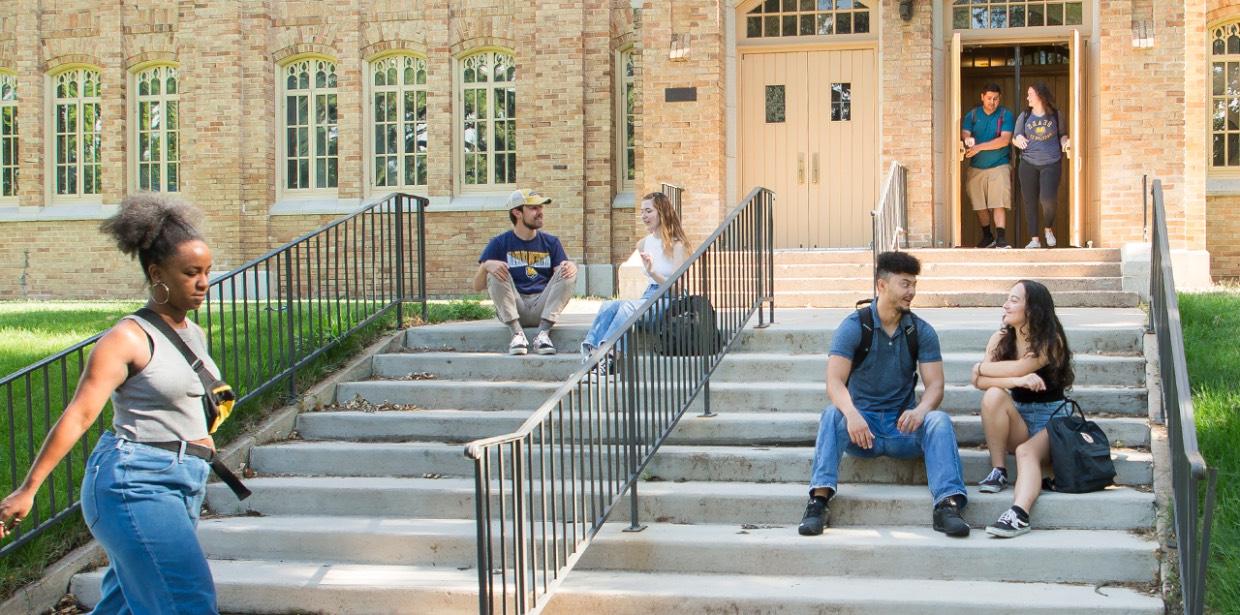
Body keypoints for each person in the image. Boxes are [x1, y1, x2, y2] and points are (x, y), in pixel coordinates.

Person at [0, 194, 222, 613]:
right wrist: (28, 489)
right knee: (188, 602)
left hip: (183, 483)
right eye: (191, 272)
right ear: (158, 274)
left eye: (207, 272)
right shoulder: (127, 338)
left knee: (123, 607)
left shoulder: (194, 333)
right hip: (134, 483)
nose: (203, 283)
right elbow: (80, 413)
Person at [799, 251, 970, 538]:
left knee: (938, 420)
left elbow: (936, 386)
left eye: (914, 285)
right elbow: (834, 382)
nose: (911, 292)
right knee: (831, 415)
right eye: (905, 284)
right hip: (861, 430)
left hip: (902, 427)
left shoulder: (921, 331)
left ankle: (947, 505)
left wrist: (920, 411)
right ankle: (818, 502)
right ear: (882, 285)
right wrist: (852, 415)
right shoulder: (854, 326)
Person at [972, 280, 1075, 538]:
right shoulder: (1000, 339)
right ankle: (998, 471)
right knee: (994, 394)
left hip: (1054, 420)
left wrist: (980, 367)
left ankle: (1019, 514)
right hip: (1020, 416)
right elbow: (981, 383)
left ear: (1033, 309)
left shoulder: (1052, 341)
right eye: (1008, 299)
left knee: (1026, 451)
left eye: (1014, 300)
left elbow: (1015, 368)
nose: (1006, 305)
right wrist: (1013, 382)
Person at [580, 191, 688, 376]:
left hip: (669, 302)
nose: (644, 216)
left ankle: (610, 359)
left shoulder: (678, 245)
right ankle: (591, 355)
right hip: (649, 296)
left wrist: (653, 272)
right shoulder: (643, 244)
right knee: (609, 304)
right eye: (642, 212)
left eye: (648, 211)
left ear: (662, 212)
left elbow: (678, 289)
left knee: (627, 307)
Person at [474, 189, 577, 355]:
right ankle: (516, 334)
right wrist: (486, 266)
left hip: (542, 308)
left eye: (541, 208)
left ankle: (542, 334)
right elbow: (477, 286)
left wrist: (569, 267)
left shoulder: (551, 242)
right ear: (517, 213)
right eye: (534, 208)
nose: (540, 212)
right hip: (514, 308)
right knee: (495, 270)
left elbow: (562, 280)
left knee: (569, 270)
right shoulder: (499, 243)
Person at [1013, 83, 1070, 249]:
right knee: (1030, 202)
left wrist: (1066, 142)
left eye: (1030, 94)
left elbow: (1062, 135)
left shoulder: (1055, 115)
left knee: (1047, 199)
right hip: (1028, 163)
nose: (1027, 97)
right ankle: (1035, 239)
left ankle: (1048, 228)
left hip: (1051, 162)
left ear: (1040, 95)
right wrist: (1018, 141)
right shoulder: (1024, 115)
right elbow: (1015, 137)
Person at [961, 83, 1016, 249]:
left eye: (996, 99)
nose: (992, 102)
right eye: (989, 98)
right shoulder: (972, 115)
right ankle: (987, 236)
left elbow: (1004, 140)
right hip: (976, 166)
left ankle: (1001, 238)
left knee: (998, 201)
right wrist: (968, 139)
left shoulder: (1006, 115)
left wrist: (978, 147)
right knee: (979, 204)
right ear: (982, 97)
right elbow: (965, 133)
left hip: (999, 164)